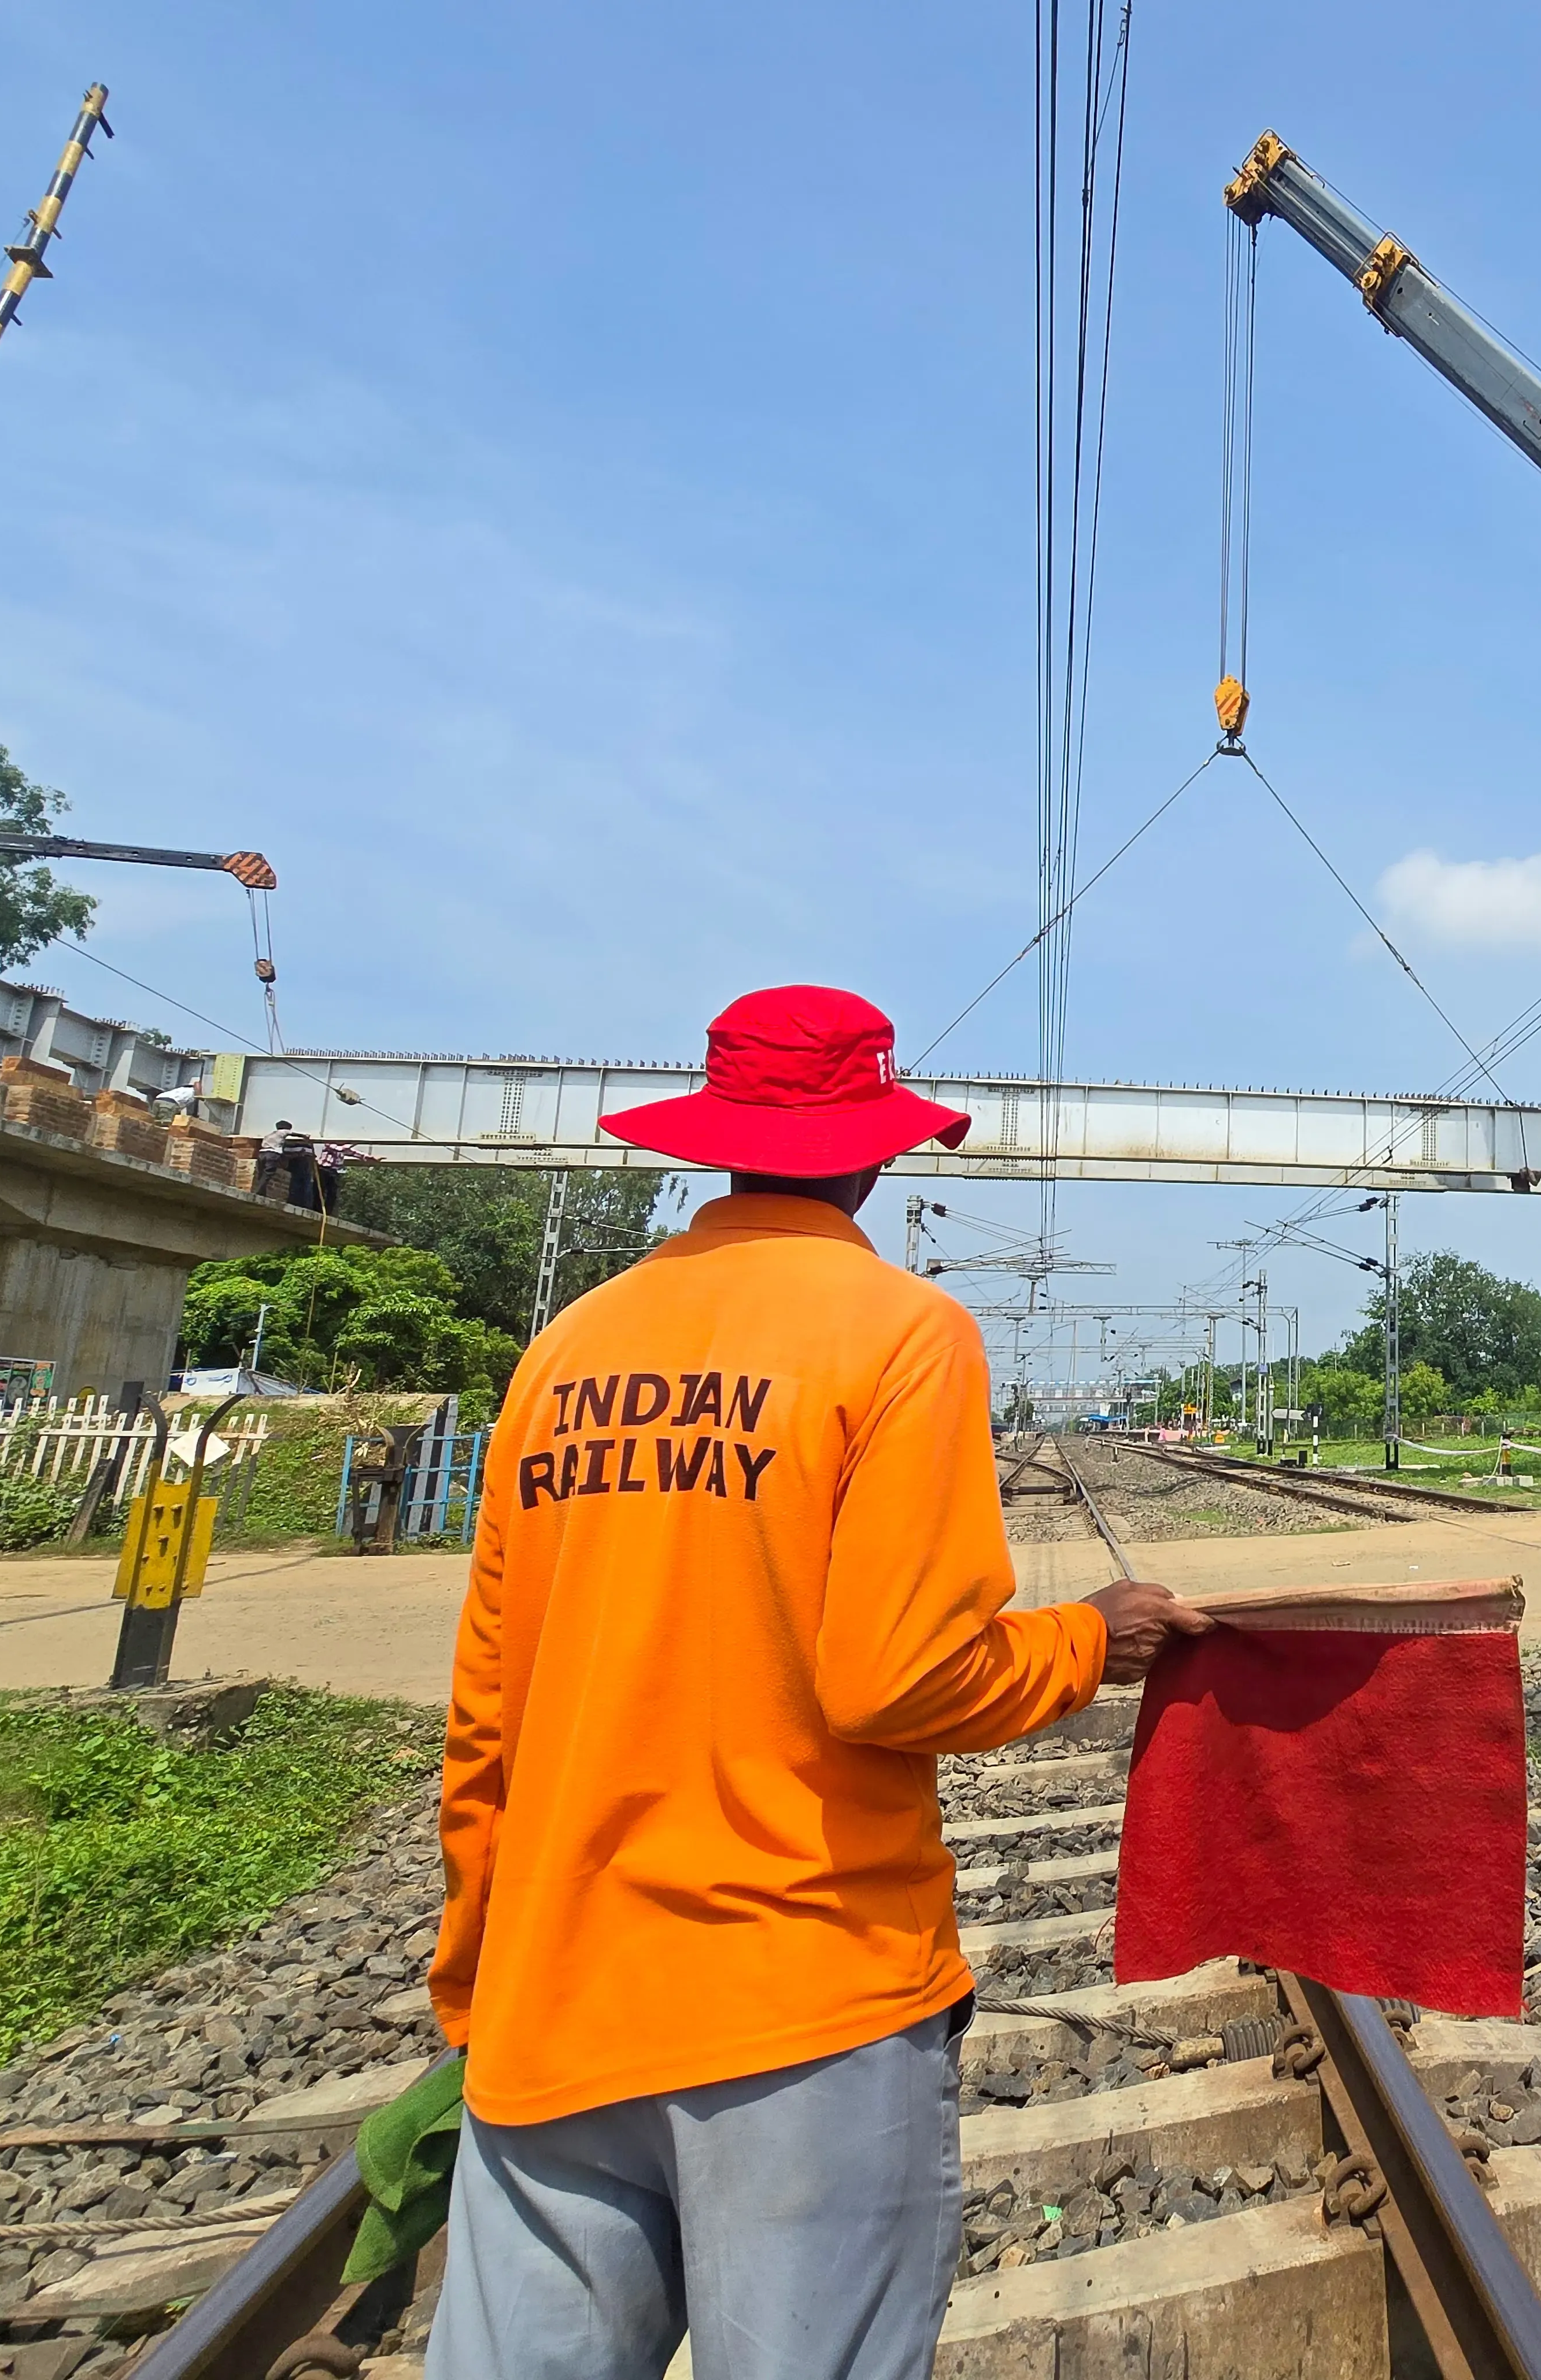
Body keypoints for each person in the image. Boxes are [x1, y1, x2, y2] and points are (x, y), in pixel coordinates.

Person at [423, 984, 1210, 2380]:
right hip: (799, 2001)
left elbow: (489, 1707)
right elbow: (903, 1681)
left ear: (717, 1144)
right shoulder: (899, 1333)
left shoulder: (564, 1354)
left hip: (556, 1995)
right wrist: (1091, 1640)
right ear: (879, 1149)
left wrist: (478, 1984)